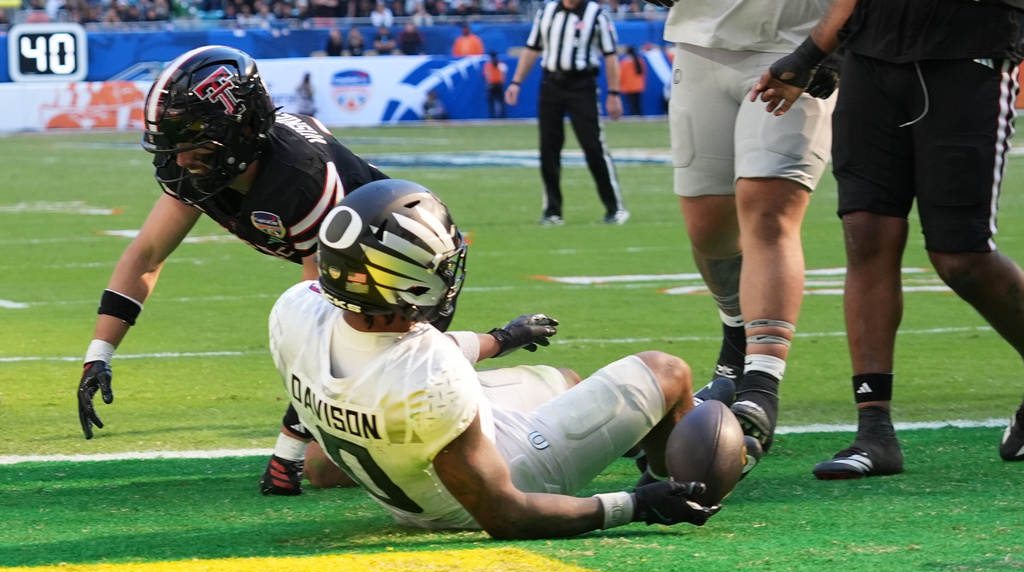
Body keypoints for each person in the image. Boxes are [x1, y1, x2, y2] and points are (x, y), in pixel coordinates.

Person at [268, 178, 725, 539]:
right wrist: (636, 505)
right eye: (438, 265)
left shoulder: (296, 309)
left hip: (395, 455)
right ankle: (668, 476)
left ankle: (626, 436)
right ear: (405, 284)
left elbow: (400, 356)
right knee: (667, 371)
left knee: (562, 379)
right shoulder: (431, 375)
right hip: (471, 497)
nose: (447, 272)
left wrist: (503, 339)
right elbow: (506, 514)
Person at [74, 46, 391, 497]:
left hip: (396, 286)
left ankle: (472, 408)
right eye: (174, 146)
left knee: (327, 467)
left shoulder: (300, 179)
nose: (182, 162)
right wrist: (98, 354)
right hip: (343, 286)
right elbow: (146, 255)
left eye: (195, 145)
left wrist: (289, 449)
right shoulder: (204, 166)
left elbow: (321, 329)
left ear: (244, 129)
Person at [751, 0, 1024, 477]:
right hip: (871, 58)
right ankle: (873, 429)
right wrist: (814, 53)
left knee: (960, 255)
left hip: (967, 54)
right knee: (867, 234)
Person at [643, 0, 838, 456]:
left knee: (768, 211)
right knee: (708, 228)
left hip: (796, 40)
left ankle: (761, 384)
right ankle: (736, 345)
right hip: (699, 41)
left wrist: (829, 47)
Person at [504, 0, 629, 226]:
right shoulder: (547, 12)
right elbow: (532, 48)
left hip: (582, 84)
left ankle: (615, 208)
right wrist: (516, 82)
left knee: (593, 146)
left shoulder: (596, 14)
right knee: (548, 149)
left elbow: (610, 55)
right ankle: (552, 211)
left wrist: (614, 92)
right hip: (551, 83)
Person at [618, 46, 645, 117]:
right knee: (637, 103)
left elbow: (622, 75)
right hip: (638, 86)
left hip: (628, 86)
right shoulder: (639, 60)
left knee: (631, 103)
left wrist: (620, 84)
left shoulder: (625, 62)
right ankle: (639, 115)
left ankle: (634, 115)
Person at [483, 52, 508, 118]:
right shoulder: (489, 65)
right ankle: (493, 116)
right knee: (493, 101)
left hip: (497, 84)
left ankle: (501, 116)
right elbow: (486, 74)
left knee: (500, 101)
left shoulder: (500, 65)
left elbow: (503, 74)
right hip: (493, 84)